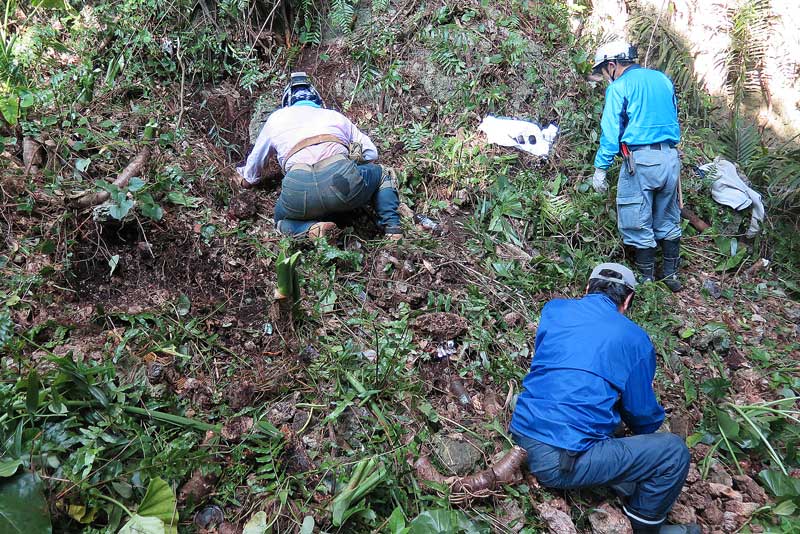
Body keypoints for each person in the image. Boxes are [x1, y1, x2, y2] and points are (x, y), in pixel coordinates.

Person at [510, 263, 698, 534]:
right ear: (628, 299)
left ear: (587, 288)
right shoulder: (636, 339)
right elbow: (642, 416)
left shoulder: (554, 310)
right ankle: (645, 526)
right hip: (557, 460)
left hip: (521, 432)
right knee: (673, 452)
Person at [237, 72, 402, 239]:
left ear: (287, 102)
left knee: (280, 220)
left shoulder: (276, 119)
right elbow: (371, 152)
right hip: (342, 181)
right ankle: (392, 229)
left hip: (299, 189)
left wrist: (245, 180)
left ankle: (311, 229)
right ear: (317, 100)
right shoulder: (334, 116)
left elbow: (254, 165)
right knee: (381, 174)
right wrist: (352, 160)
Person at [590, 41, 683, 292]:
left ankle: (647, 280)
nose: (605, 78)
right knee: (667, 216)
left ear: (612, 65)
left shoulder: (620, 87)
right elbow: (674, 115)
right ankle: (671, 275)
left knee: (636, 218)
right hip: (670, 158)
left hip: (641, 160)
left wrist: (601, 169)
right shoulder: (663, 79)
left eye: (604, 72)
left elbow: (611, 132)